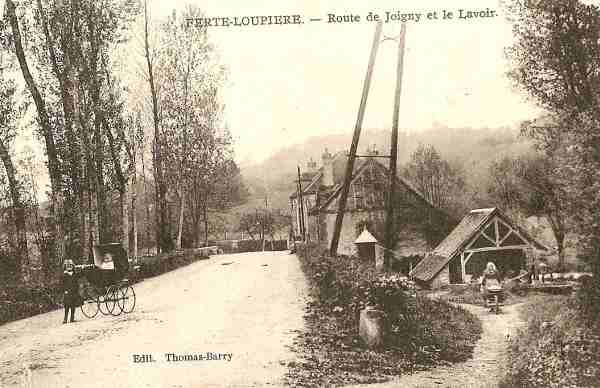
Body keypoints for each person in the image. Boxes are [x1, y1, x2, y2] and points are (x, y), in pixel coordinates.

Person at [61, 259, 81, 323]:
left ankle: (72, 318)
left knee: (73, 305)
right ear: (65, 267)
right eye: (67, 266)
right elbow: (62, 284)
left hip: (74, 291)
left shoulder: (74, 274)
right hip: (67, 292)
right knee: (67, 305)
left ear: (73, 266)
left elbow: (79, 277)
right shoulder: (64, 275)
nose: (69, 267)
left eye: (70, 265)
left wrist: (82, 269)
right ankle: (65, 319)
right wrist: (64, 290)